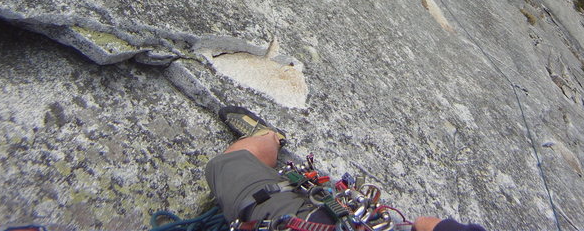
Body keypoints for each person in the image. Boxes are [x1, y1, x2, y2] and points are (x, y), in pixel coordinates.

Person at [206, 107, 487, 231]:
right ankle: (271, 140)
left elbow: (426, 224)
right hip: (335, 219)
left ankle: (267, 139)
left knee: (229, 164)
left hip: (312, 221)